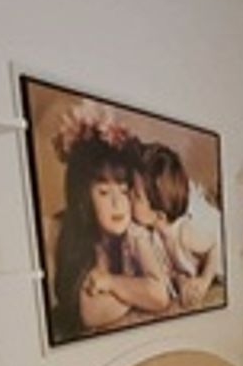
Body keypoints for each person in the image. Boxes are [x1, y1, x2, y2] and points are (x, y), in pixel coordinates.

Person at [51, 109, 171, 340]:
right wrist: (137, 290)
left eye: (124, 191)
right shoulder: (69, 235)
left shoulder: (136, 234)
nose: (118, 204)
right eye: (104, 192)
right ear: (84, 198)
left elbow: (159, 296)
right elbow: (90, 312)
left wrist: (112, 284)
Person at [129, 142, 223, 308]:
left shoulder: (186, 234)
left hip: (217, 244)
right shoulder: (153, 236)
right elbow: (170, 271)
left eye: (137, 195)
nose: (129, 196)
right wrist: (181, 281)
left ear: (159, 215)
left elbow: (215, 245)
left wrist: (204, 280)